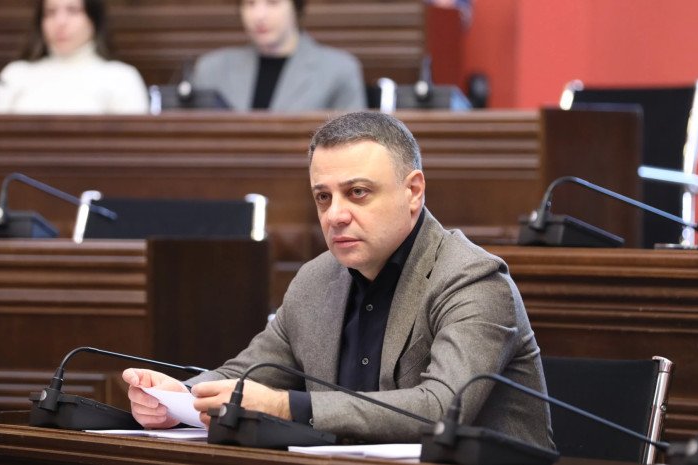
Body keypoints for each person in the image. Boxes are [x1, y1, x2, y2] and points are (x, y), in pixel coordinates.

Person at [123, 111, 554, 446]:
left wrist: (286, 407)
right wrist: (178, 397)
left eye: (357, 193)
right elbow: (249, 373)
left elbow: (440, 408)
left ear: (413, 191)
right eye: (323, 197)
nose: (335, 215)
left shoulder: (472, 279)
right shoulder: (315, 280)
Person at [191, 0, 366, 112]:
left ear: (295, 7)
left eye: (272, 3)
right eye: (250, 3)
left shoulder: (339, 70)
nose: (259, 16)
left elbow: (354, 146)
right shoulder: (211, 69)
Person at [0, 0, 149, 114]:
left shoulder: (122, 77)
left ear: (94, 19)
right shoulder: (14, 74)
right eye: (50, 12)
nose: (60, 22)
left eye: (73, 10)